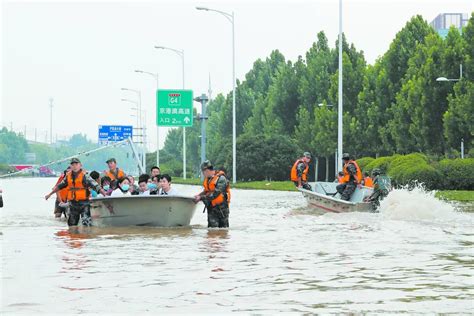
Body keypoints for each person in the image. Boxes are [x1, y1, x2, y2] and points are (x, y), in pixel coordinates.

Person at [45, 158, 106, 227]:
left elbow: (95, 185)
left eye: (76, 164)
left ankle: (86, 236)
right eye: (72, 164)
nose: (74, 166)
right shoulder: (68, 176)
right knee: (72, 226)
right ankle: (74, 236)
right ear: (70, 166)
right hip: (73, 204)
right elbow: (59, 186)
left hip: (84, 203)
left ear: (80, 165)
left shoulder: (85, 176)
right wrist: (49, 194)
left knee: (87, 224)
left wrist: (103, 193)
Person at [194, 160, 231, 228]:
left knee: (223, 232)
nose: (203, 174)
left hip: (221, 210)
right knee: (211, 232)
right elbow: (206, 191)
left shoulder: (221, 179)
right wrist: (198, 195)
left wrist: (201, 198)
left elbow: (215, 194)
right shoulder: (208, 179)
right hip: (211, 209)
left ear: (207, 170)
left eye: (203, 172)